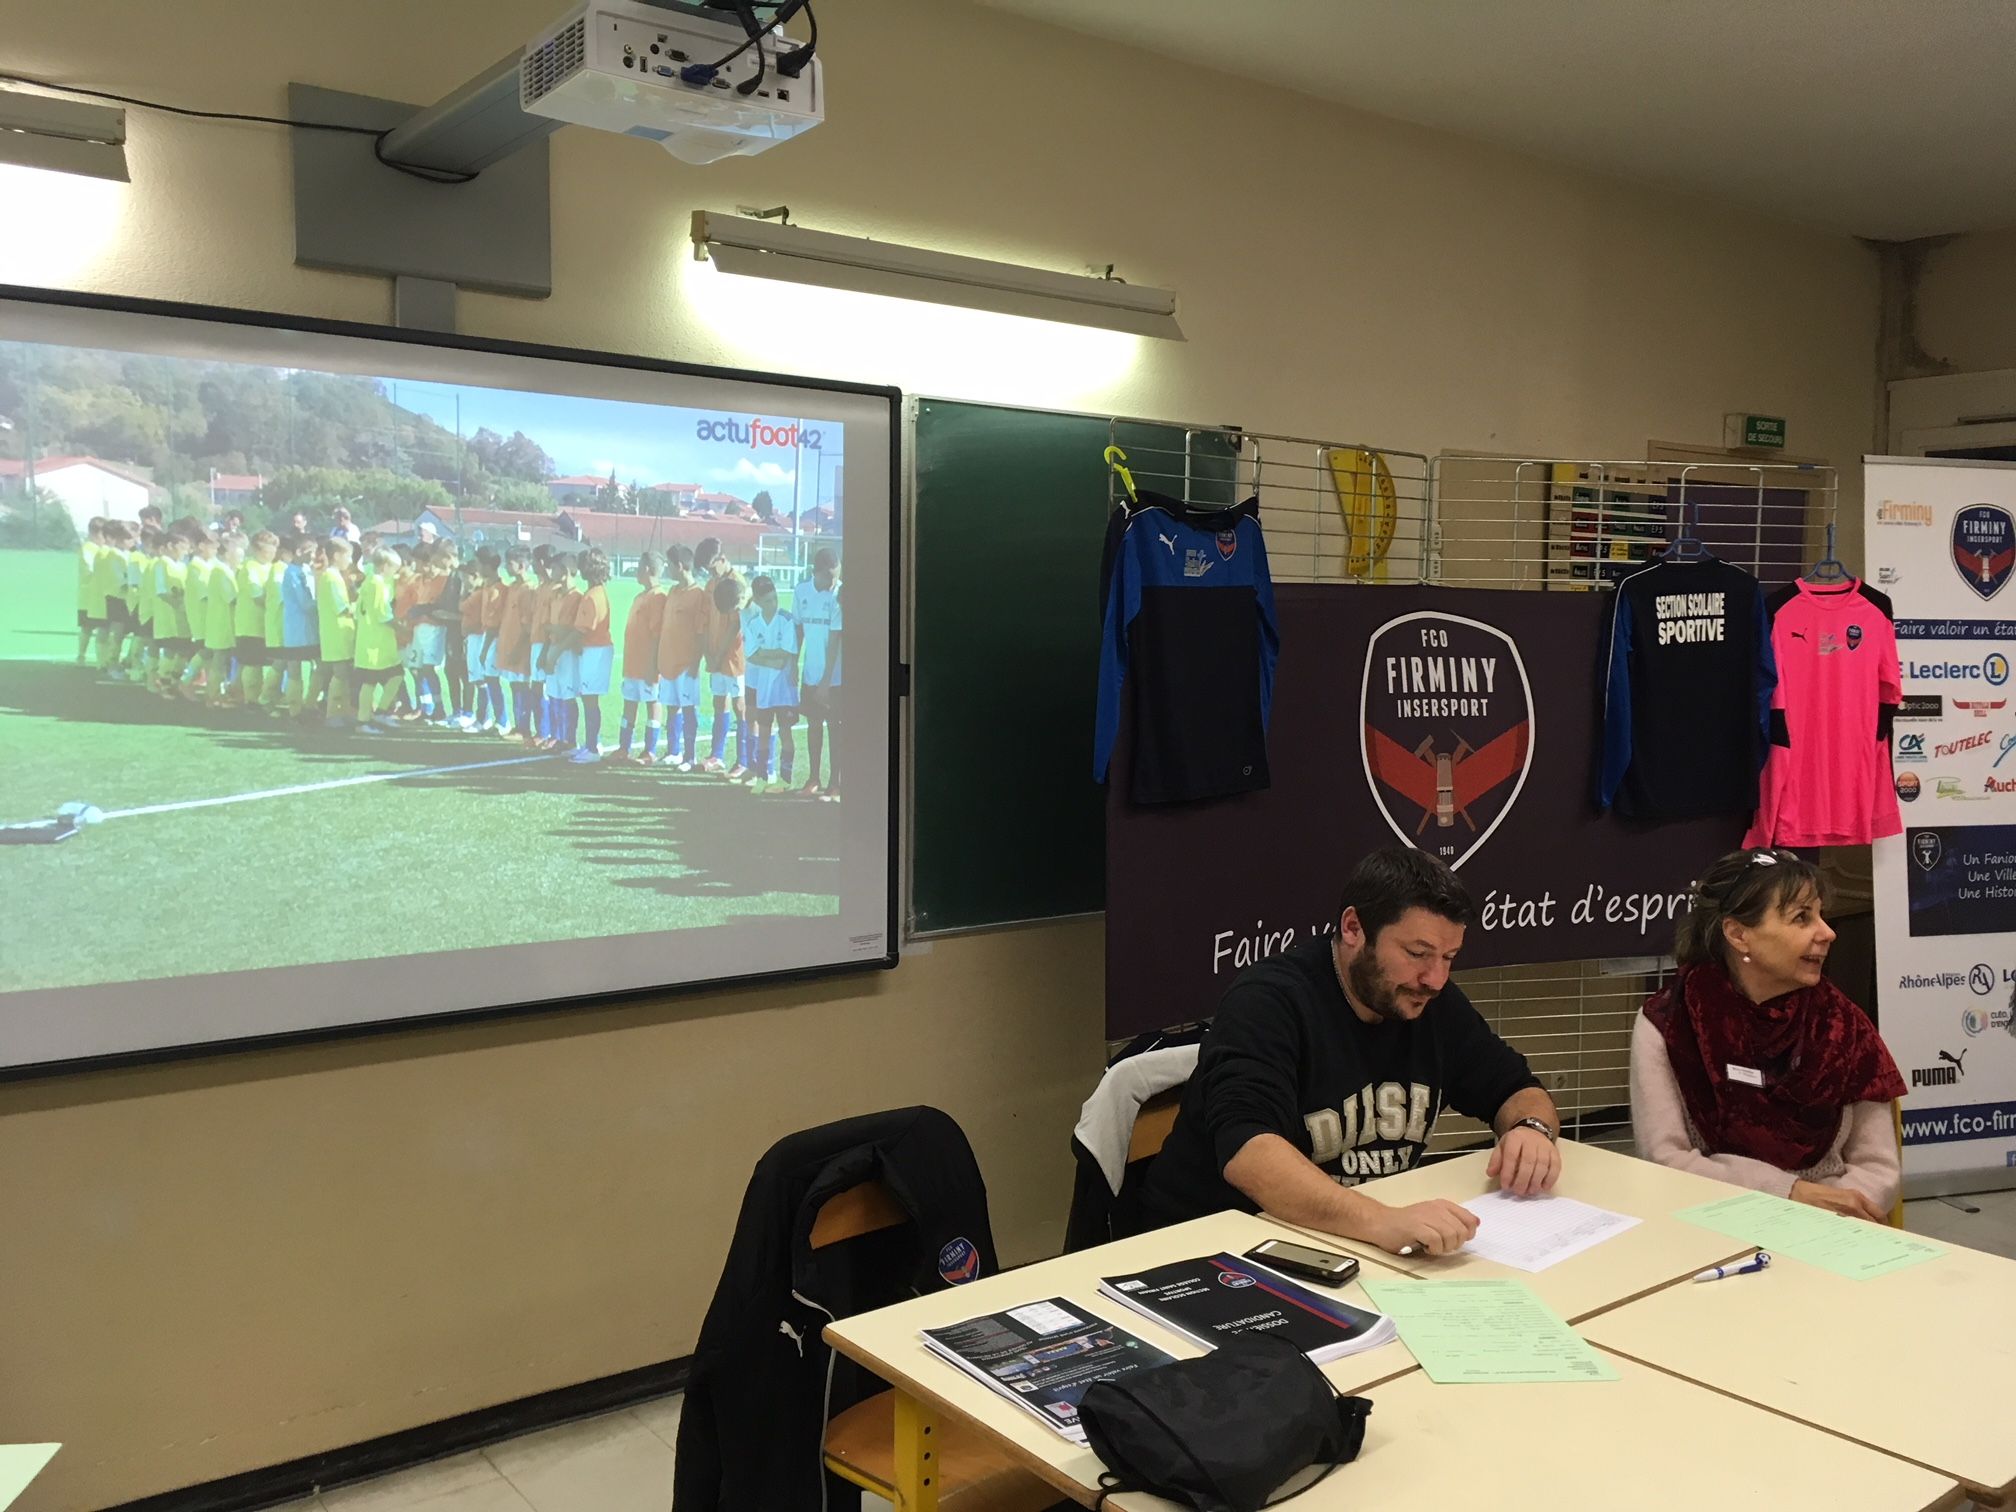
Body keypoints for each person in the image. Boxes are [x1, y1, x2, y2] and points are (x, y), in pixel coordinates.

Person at [1139, 846, 1563, 1255]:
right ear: (1353, 929)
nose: (1434, 978)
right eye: (1417, 953)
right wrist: (1381, 1221)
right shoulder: (1268, 1002)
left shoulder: (1431, 1003)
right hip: (1216, 1245)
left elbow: (1516, 1088)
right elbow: (1249, 1153)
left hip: (1344, 1242)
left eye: (1449, 957)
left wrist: (1531, 1130)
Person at [1632, 848, 1904, 1219]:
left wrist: (1823, 1213)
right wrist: (1787, 1195)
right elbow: (1665, 1162)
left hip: (1833, 1227)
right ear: (1738, 934)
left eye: (1821, 915)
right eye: (1801, 917)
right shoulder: (1669, 1023)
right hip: (1711, 1221)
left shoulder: (1844, 1024)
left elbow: (1878, 1168)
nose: (1827, 932)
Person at [741, 574, 800, 795]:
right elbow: (752, 656)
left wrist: (766, 655)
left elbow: (785, 653)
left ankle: (785, 780)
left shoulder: (785, 620)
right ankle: (762, 777)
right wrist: (770, 657)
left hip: (784, 689)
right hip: (764, 689)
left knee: (785, 732)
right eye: (767, 601)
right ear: (756, 600)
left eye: (775, 599)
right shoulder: (753, 623)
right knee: (763, 732)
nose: (773, 604)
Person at [792, 548, 841, 797]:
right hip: (810, 674)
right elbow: (798, 632)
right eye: (829, 577)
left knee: (835, 726)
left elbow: (834, 642)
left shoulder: (840, 594)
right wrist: (794, 667)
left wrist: (826, 682)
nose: (833, 582)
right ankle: (813, 779)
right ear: (816, 572)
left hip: (835, 678)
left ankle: (835, 783)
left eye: (836, 576)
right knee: (813, 725)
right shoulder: (801, 592)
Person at [655, 545, 708, 771]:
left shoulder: (698, 595)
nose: (667, 569)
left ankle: (690, 756)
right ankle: (673, 751)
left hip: (687, 663)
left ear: (679, 566)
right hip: (668, 661)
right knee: (671, 706)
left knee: (688, 709)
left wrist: (695, 663)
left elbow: (701, 632)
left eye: (669, 564)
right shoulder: (673, 592)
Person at [617, 551, 667, 764]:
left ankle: (650, 751)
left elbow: (657, 635)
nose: (636, 570)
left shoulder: (658, 597)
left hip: (647, 665)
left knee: (652, 704)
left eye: (638, 566)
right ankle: (623, 748)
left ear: (647, 568)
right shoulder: (641, 596)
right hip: (632, 664)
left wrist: (653, 665)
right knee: (629, 704)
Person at [567, 548, 615, 763]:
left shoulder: (592, 596)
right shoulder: (597, 592)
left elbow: (582, 629)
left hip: (595, 650)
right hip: (594, 649)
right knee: (588, 698)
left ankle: (593, 747)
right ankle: (592, 743)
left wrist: (558, 649)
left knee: (589, 699)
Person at [353, 546, 404, 730]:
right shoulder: (376, 584)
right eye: (394, 568)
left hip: (377, 640)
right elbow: (383, 615)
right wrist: (400, 626)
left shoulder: (370, 582)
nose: (395, 572)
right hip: (375, 641)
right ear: (384, 566)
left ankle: (380, 712)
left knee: (396, 674)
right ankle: (363, 721)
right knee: (370, 681)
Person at [702, 572, 748, 777]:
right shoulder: (714, 585)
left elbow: (735, 625)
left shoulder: (735, 586)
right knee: (719, 702)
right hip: (715, 656)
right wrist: (710, 654)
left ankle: (743, 760)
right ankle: (717, 755)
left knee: (741, 707)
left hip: (734, 659)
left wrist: (719, 654)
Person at [313, 538, 357, 728]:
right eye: (348, 556)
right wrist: (361, 606)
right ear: (337, 556)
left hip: (336, 632)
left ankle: (343, 711)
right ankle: (333, 714)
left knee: (343, 673)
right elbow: (342, 608)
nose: (350, 560)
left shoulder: (332, 575)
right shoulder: (332, 577)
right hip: (337, 633)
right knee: (340, 674)